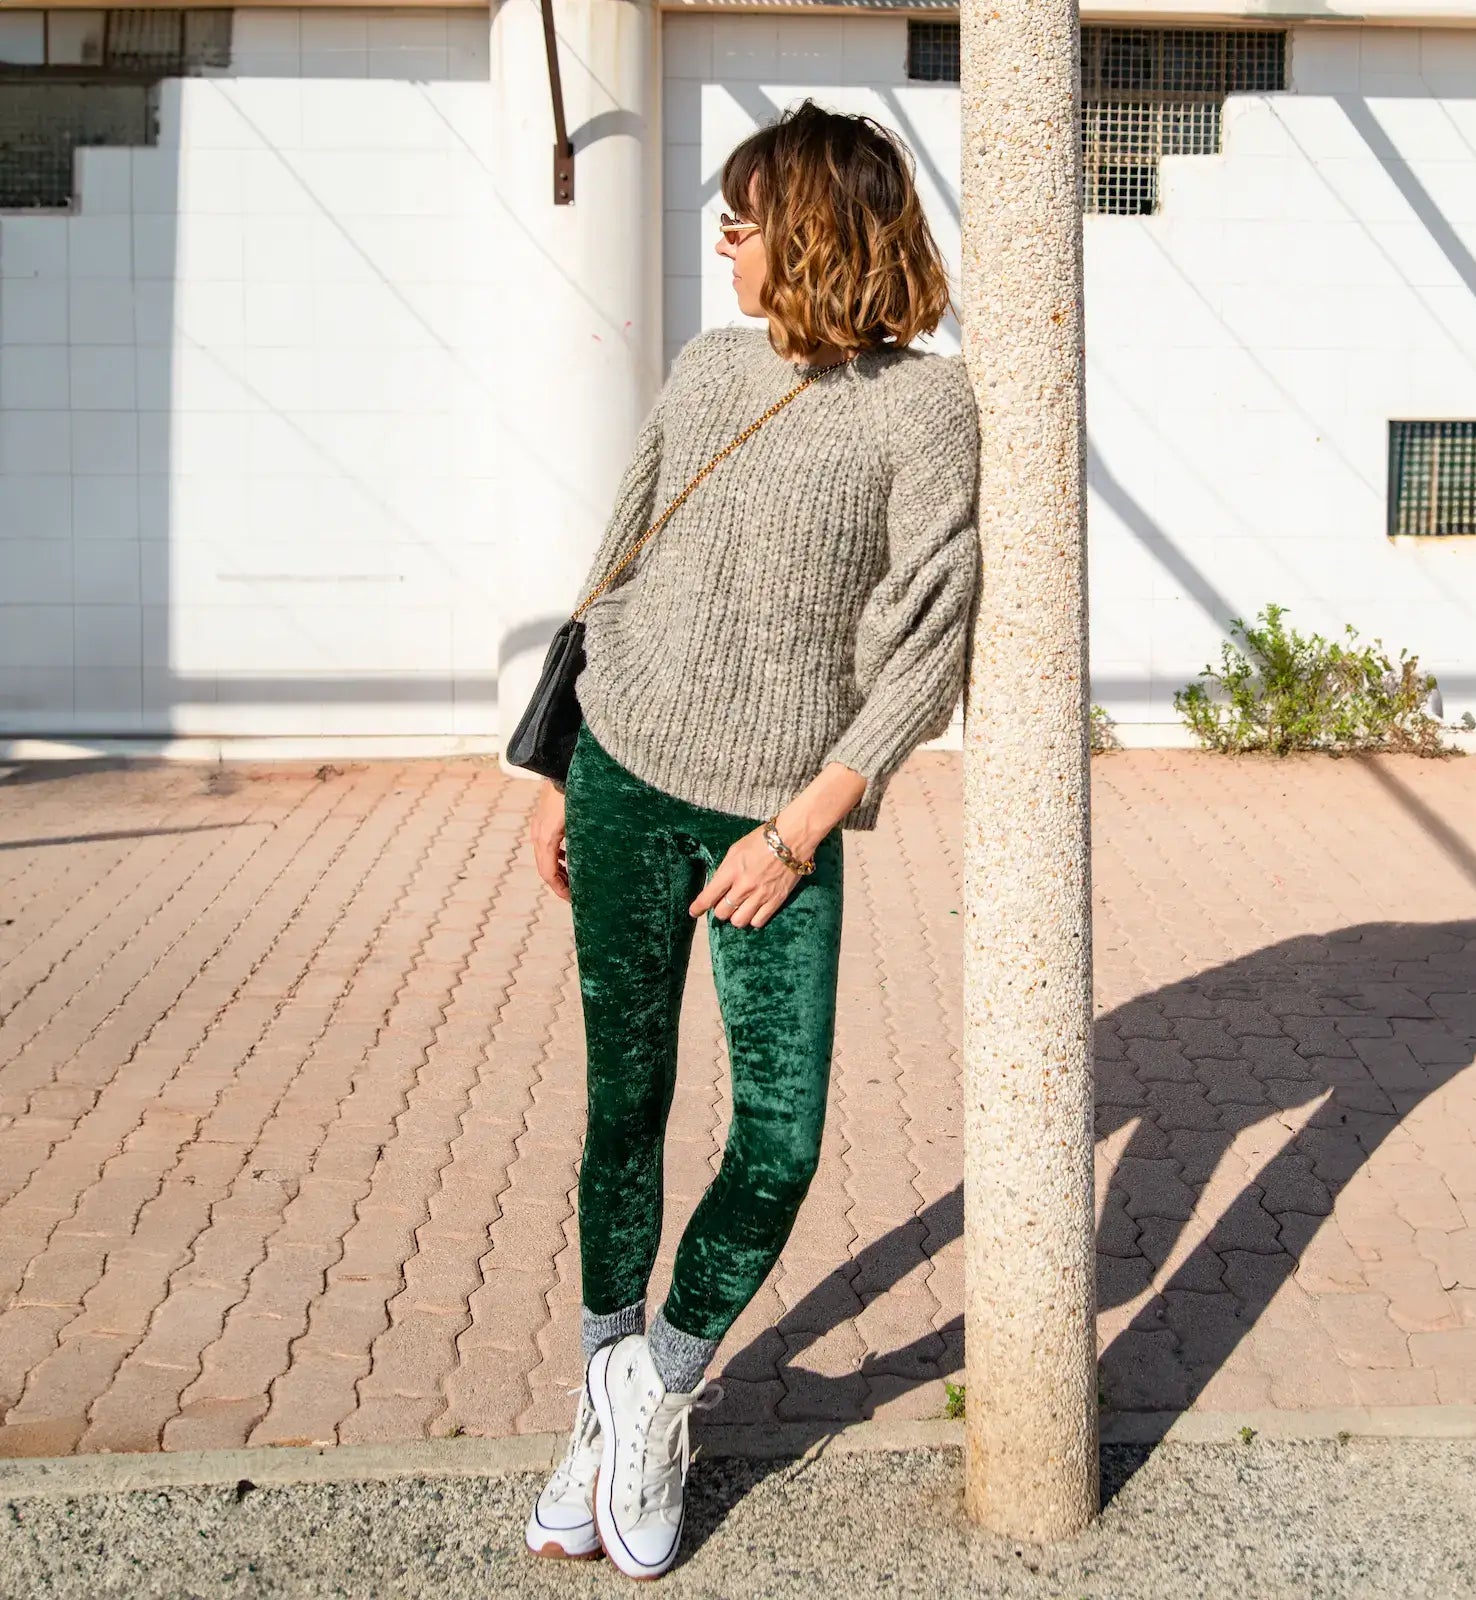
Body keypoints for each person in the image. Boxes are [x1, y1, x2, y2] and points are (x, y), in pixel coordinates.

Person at [522, 98, 980, 1581]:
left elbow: (926, 639)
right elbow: (624, 548)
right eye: (725, 213)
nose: (722, 235)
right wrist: (557, 767)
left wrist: (800, 829)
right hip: (622, 771)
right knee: (625, 1105)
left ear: (823, 231)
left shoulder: (926, 407)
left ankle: (654, 1388)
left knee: (776, 1143)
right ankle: (598, 1397)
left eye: (747, 214)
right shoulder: (709, 366)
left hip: (776, 818)